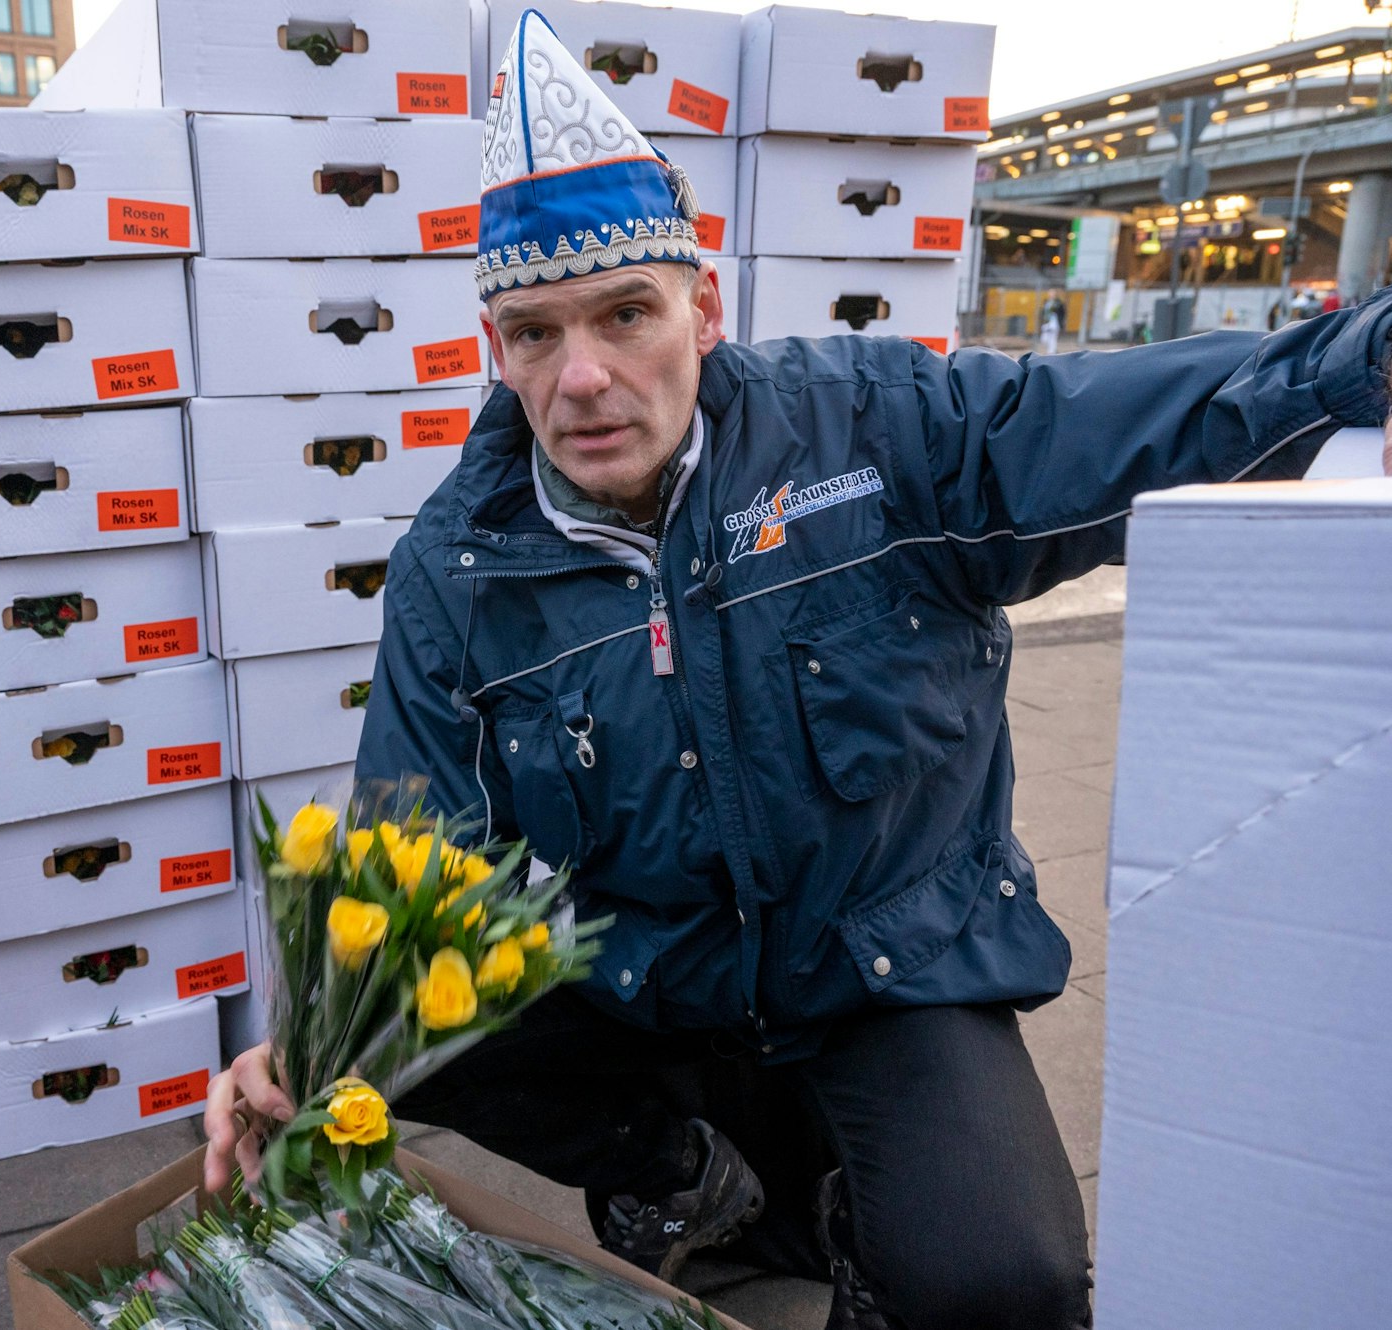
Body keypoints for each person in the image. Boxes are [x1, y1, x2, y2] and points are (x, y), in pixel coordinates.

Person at [206, 12, 1392, 1328]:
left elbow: (1115, 426)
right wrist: (300, 1045)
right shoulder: (459, 569)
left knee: (1006, 1281)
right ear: (497, 346)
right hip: (656, 986)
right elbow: (405, 855)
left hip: (883, 972)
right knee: (409, 1040)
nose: (584, 374)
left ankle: (831, 1206)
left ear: (702, 307)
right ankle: (684, 1179)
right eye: (535, 333)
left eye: (624, 314)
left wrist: (1360, 365)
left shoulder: (876, 433)